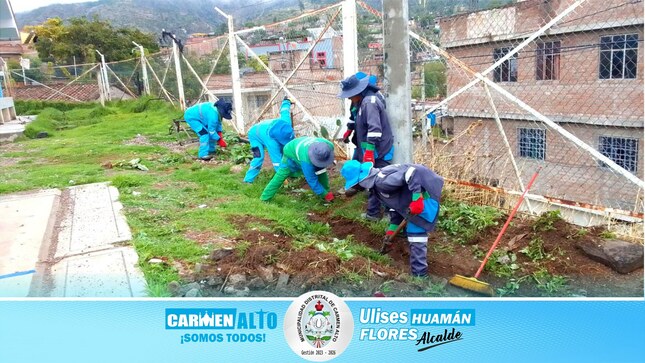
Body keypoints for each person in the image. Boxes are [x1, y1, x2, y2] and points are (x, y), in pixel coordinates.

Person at [340, 160, 444, 277]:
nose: (356, 188)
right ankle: (406, 247)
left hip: (425, 194)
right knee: (410, 226)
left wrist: (417, 199)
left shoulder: (383, 182)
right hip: (412, 196)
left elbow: (414, 172)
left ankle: (420, 275)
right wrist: (391, 231)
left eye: (356, 185)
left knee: (416, 233)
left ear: (362, 181)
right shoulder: (377, 186)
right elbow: (396, 206)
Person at [338, 73, 394, 221]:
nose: (349, 98)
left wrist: (369, 152)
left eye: (350, 95)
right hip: (371, 149)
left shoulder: (370, 102)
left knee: (383, 181)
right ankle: (373, 214)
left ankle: (390, 213)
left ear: (357, 91)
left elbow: (375, 130)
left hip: (379, 150)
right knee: (373, 181)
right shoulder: (361, 101)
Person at [260, 136, 335, 202]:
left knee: (321, 171)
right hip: (290, 151)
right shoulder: (306, 161)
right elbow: (311, 179)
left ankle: (325, 194)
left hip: (302, 146)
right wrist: (324, 194)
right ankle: (264, 198)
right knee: (281, 175)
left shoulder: (328, 145)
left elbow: (321, 172)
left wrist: (326, 193)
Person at [243, 98, 294, 183]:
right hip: (254, 134)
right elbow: (276, 162)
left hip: (265, 128)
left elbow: (284, 110)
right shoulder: (272, 143)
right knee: (259, 157)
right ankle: (248, 180)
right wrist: (283, 180)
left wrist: (287, 101)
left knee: (284, 152)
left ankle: (290, 172)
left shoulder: (285, 124)